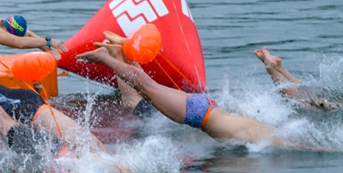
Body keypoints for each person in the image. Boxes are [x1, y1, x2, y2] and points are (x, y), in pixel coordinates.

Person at [78, 41, 290, 146]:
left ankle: (117, 54)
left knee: (146, 89)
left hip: (206, 106)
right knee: (145, 88)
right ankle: (106, 57)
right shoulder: (272, 142)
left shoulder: (271, 133)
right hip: (199, 115)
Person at [253, 47, 342, 110]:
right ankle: (272, 70)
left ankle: (278, 67)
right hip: (335, 107)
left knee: (306, 93)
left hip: (337, 103)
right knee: (300, 101)